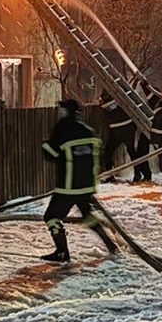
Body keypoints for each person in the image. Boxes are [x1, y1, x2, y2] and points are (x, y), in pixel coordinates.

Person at [39, 99, 104, 262]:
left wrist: (45, 145)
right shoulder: (87, 130)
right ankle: (110, 243)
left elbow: (52, 155)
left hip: (67, 186)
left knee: (51, 217)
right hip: (86, 184)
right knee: (87, 215)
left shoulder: (62, 129)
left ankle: (62, 252)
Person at [100, 93, 145, 183]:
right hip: (126, 128)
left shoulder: (110, 103)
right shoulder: (120, 99)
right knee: (131, 151)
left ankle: (110, 174)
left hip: (118, 130)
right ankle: (137, 174)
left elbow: (105, 107)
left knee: (109, 152)